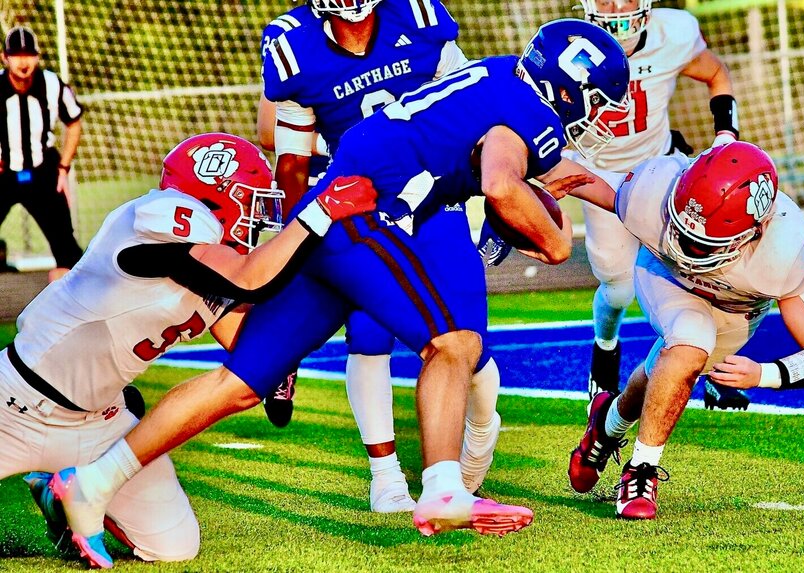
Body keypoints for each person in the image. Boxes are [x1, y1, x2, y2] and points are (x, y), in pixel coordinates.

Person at [47, 19, 631, 564]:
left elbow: (550, 173)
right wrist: (556, 242)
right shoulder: (529, 111)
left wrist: (632, 205)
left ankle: (91, 483)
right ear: (572, 88)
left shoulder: (505, 76)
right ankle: (444, 489)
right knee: (454, 344)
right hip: (365, 213)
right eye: (600, 101)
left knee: (241, 384)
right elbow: (502, 181)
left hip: (335, 206)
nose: (600, 116)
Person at [1, 132, 377, 568]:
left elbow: (245, 334)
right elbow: (249, 278)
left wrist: (281, 360)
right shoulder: (159, 217)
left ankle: (58, 494)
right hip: (17, 403)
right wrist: (320, 211)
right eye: (251, 202)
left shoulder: (213, 258)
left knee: (174, 546)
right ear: (211, 195)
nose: (260, 218)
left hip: (99, 423)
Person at [255, 0, 504, 511]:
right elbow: (292, 162)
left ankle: (479, 435)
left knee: (468, 344)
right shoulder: (294, 42)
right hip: (359, 208)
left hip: (436, 199)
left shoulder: (418, 16)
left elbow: (473, 107)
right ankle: (385, 476)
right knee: (368, 336)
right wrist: (295, 238)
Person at [565, 141, 804, 519]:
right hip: (666, 278)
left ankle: (607, 421)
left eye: (702, 243)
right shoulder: (655, 191)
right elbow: (576, 178)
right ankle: (641, 470)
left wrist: (764, 374)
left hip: (736, 310)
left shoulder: (786, 249)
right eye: (683, 230)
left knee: (664, 374)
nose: (688, 248)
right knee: (691, 340)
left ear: (757, 230)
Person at [571, 1, 744, 410]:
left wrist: (726, 134)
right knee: (618, 285)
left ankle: (715, 370)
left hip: (663, 168)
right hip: (599, 176)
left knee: (706, 271)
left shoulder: (673, 32)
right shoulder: (565, 42)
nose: (615, 5)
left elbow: (715, 72)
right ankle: (605, 347)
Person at [0, 26, 84, 283]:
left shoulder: (51, 83)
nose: (23, 61)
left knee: (66, 248)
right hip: (3, 173)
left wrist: (64, 168)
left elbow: (74, 122)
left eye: (29, 54)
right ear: (5, 58)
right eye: (16, 55)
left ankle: (73, 311)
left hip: (42, 173)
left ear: (37, 57)